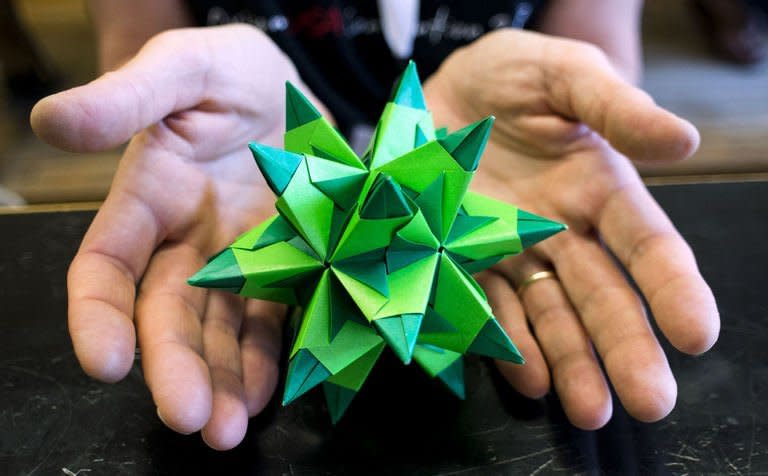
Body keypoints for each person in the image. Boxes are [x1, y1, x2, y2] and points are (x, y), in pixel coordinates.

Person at [30, 0, 720, 451]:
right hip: (258, 187)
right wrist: (165, 93)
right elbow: (138, 50)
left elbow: (601, 50)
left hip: (451, 223)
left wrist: (585, 107)